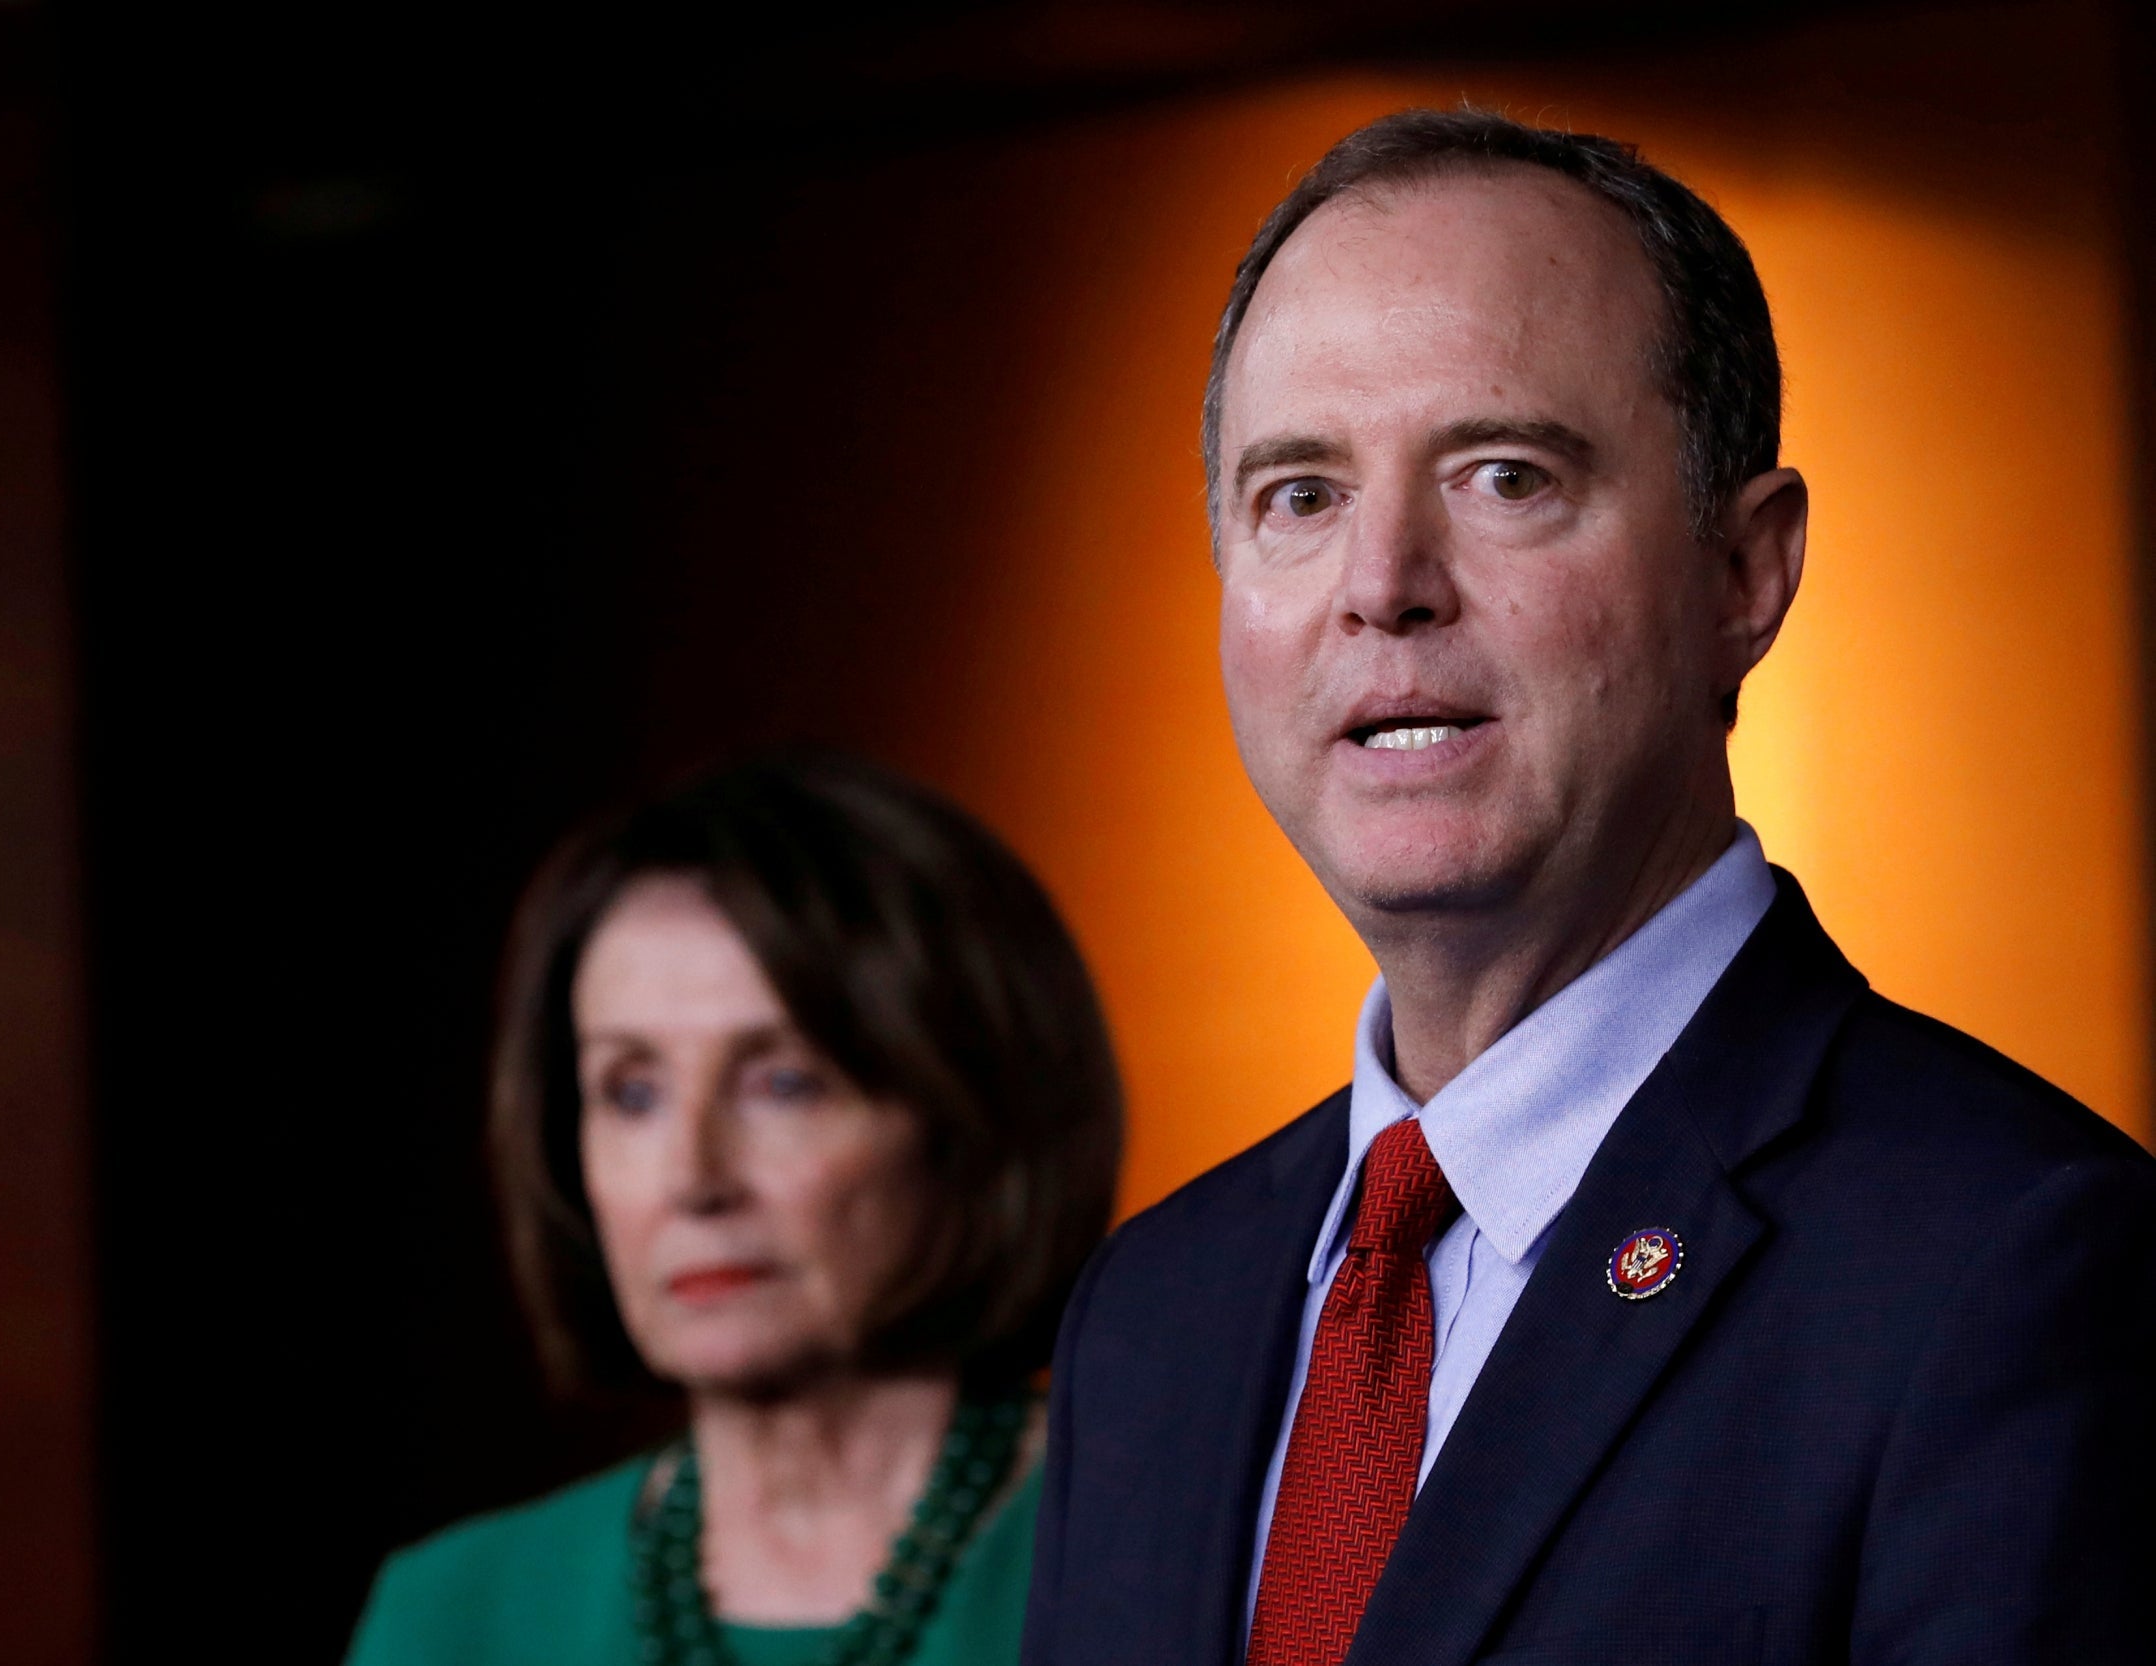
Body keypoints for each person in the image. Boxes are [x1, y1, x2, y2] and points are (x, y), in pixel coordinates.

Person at [1021, 108, 2156, 1666]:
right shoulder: (1152, 1311)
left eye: (1505, 475)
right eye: (1299, 494)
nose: (1382, 581)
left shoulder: (2009, 1262)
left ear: (1744, 575)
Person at [347, 752, 1122, 1665]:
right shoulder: (456, 1614)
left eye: (783, 1084)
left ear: (970, 1115)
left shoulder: (1172, 1552)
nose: (692, 1177)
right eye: (631, 1093)